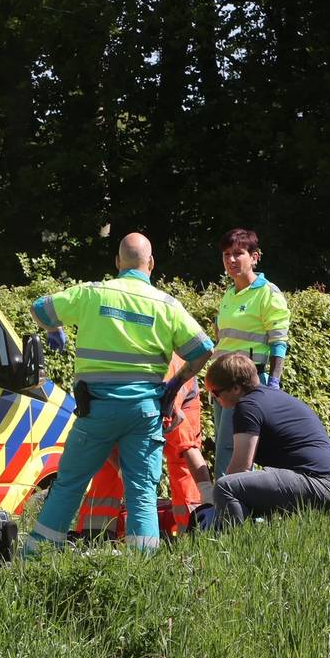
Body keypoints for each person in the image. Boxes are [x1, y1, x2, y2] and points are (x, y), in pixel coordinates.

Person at [25, 233, 213, 553]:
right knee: (142, 493)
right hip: (145, 413)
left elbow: (40, 309)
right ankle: (143, 568)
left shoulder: (92, 293)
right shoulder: (166, 304)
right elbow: (203, 349)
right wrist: (174, 385)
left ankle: (35, 558)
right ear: (151, 264)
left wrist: (55, 330)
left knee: (69, 485)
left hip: (96, 411)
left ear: (117, 263)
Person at [75, 355, 213, 537]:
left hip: (176, 394)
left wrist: (208, 496)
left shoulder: (164, 405)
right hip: (130, 395)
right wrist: (123, 472)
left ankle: (198, 531)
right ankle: (93, 536)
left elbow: (188, 449)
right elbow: (103, 442)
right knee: (106, 468)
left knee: (182, 465)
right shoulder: (98, 393)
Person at [204, 352, 330, 525]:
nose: (214, 398)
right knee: (240, 489)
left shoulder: (247, 407)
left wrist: (217, 506)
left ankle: (229, 544)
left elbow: (240, 467)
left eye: (215, 392)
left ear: (236, 388)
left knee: (225, 487)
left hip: (324, 486)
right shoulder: (272, 397)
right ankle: (247, 536)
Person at [210, 228, 291, 489]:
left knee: (233, 450)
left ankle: (229, 511)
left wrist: (273, 383)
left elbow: (279, 340)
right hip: (222, 384)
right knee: (225, 448)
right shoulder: (229, 295)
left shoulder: (268, 292)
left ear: (254, 257)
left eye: (238, 254)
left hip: (246, 383)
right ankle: (229, 509)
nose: (231, 260)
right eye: (226, 255)